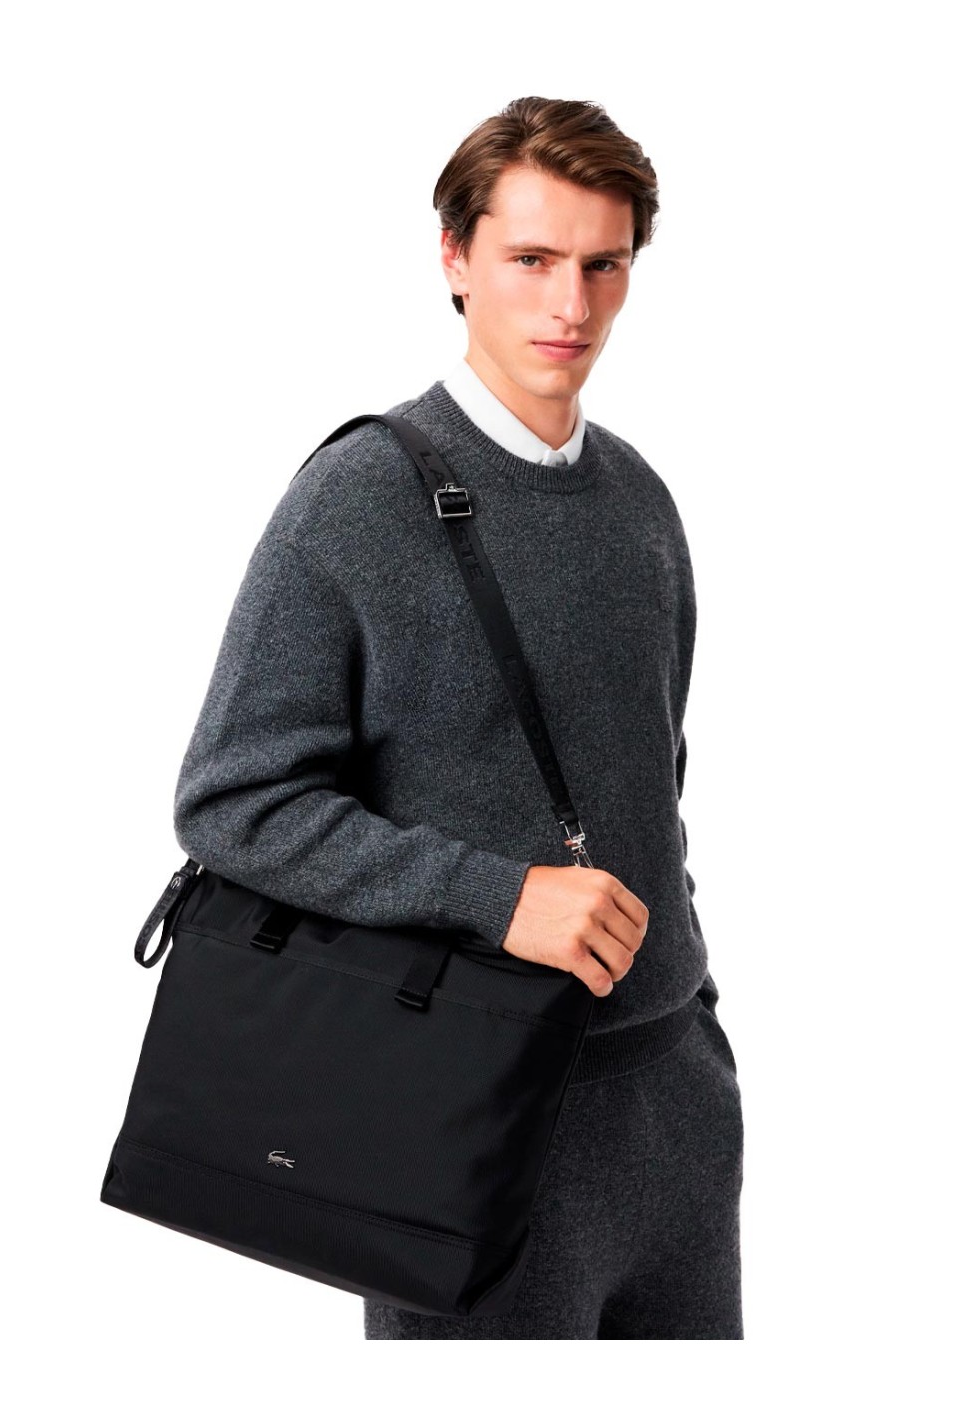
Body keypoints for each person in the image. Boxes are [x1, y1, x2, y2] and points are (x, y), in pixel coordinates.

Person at [172, 96, 744, 1339]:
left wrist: (692, 1029)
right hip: (467, 1118)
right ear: (453, 258)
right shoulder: (356, 498)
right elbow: (232, 803)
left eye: (603, 265)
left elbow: (652, 781)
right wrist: (496, 897)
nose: (569, 305)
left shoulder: (639, 499)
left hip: (674, 1108)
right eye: (530, 259)